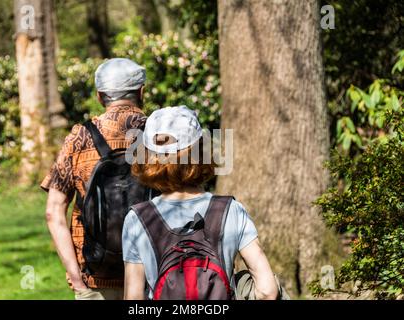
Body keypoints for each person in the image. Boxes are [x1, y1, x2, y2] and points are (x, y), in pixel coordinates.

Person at [122, 105, 278, 300]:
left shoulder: (137, 219)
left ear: (147, 158)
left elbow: (134, 298)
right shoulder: (231, 210)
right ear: (201, 152)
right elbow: (267, 291)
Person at [42, 58, 147, 300]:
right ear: (141, 92)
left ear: (100, 96)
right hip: (152, 277)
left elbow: (53, 212)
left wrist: (78, 282)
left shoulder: (80, 137)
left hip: (95, 276)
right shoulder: (159, 133)